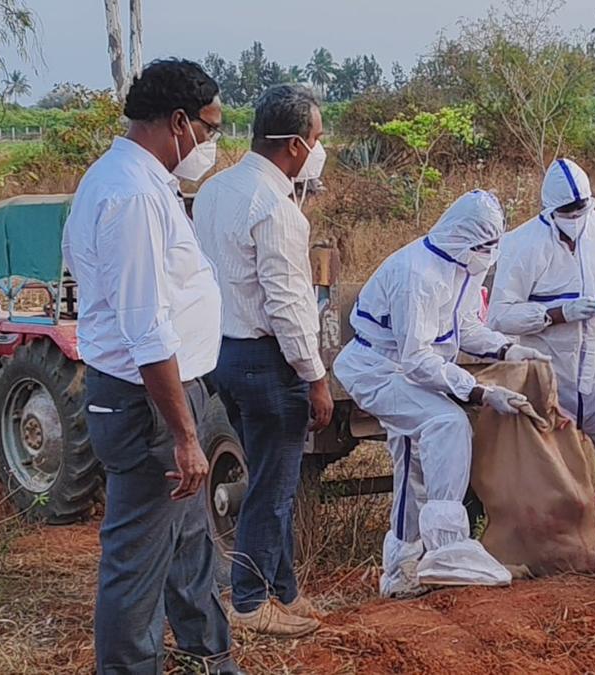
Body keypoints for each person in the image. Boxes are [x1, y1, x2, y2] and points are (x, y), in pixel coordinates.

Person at [62, 59, 242, 674]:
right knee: (137, 561)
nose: (212, 144)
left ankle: (208, 659)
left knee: (191, 546)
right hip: (148, 406)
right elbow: (147, 329)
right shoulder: (132, 195)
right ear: (177, 123)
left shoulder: (139, 182)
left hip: (166, 395)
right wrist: (186, 436)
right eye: (210, 129)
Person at [333, 190, 552, 599]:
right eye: (485, 245)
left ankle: (401, 572)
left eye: (493, 245)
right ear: (463, 239)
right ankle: (447, 548)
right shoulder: (418, 274)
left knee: (413, 461)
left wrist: (507, 348)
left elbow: (464, 327)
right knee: (446, 423)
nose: (489, 253)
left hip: (411, 367)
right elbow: (416, 357)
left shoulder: (462, 266)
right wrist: (480, 392)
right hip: (378, 367)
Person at [193, 84, 330, 637]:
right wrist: (314, 376)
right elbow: (289, 305)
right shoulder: (277, 209)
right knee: (272, 490)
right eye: (318, 138)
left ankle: (284, 592)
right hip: (266, 360)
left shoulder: (214, 190)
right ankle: (249, 603)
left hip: (220, 352)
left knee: (271, 479)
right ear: (295, 146)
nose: (321, 147)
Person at [488, 158, 595, 490]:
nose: (574, 219)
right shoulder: (523, 244)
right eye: (566, 213)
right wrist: (557, 314)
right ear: (549, 211)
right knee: (551, 486)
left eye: (580, 211)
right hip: (552, 385)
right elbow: (500, 315)